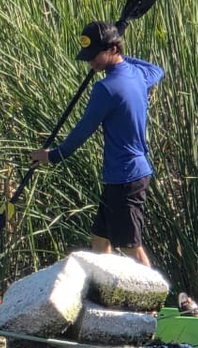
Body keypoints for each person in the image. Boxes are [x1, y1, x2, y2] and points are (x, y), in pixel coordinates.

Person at [30, 20, 164, 267]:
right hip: (124, 175)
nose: (90, 62)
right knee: (100, 239)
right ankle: (105, 288)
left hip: (126, 178)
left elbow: (83, 131)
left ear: (112, 49)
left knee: (131, 247)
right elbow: (157, 70)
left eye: (94, 55)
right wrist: (120, 52)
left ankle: (154, 293)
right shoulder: (138, 75)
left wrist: (52, 156)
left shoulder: (105, 89)